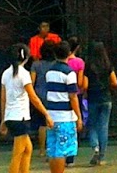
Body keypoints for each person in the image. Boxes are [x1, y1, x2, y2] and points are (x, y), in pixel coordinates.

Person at [0, 43, 51, 173]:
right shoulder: (24, 74)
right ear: (26, 57)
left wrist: (3, 119)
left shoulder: (6, 73)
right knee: (17, 154)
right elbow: (33, 97)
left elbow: (3, 99)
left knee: (27, 149)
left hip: (11, 116)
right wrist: (46, 114)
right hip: (20, 117)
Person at [34, 39, 82, 173]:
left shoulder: (50, 72)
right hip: (65, 116)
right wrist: (79, 117)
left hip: (51, 115)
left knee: (53, 149)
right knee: (62, 150)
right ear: (69, 53)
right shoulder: (69, 73)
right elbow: (73, 97)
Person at [83, 41, 117, 167]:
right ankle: (102, 156)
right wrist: (108, 88)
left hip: (93, 98)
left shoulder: (88, 66)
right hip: (106, 98)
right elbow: (114, 82)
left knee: (92, 125)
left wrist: (85, 92)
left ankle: (95, 147)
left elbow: (84, 84)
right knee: (103, 126)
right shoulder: (107, 65)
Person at [64, 37, 87, 167]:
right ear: (77, 48)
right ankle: (70, 155)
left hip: (62, 96)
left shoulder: (63, 62)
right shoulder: (79, 62)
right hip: (76, 94)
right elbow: (80, 82)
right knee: (73, 122)